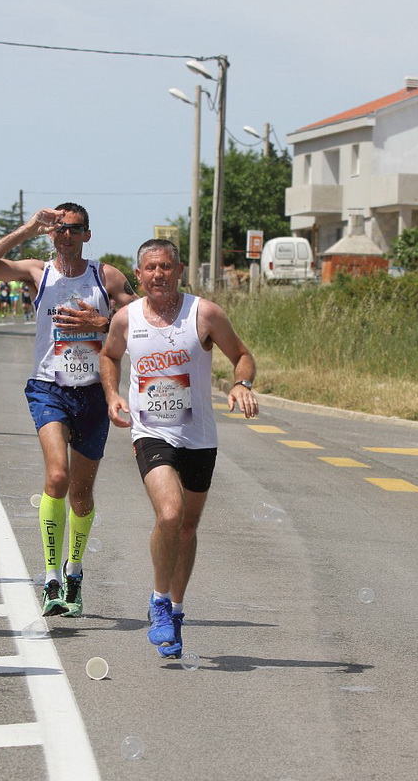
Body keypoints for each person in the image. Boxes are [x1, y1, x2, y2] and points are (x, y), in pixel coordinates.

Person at [0, 203, 135, 617]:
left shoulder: (106, 276)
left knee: (80, 492)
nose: (66, 236)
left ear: (87, 235)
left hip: (93, 391)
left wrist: (102, 321)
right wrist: (27, 228)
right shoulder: (38, 272)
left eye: (74, 229)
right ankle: (51, 578)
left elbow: (139, 319)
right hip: (49, 388)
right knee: (56, 475)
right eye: (59, 230)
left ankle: (74, 569)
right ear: (50, 234)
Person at [100, 238, 258, 659]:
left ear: (179, 269)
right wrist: (112, 395)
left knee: (187, 527)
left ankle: (177, 610)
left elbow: (242, 355)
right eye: (150, 268)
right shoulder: (125, 318)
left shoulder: (203, 313)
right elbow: (109, 356)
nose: (158, 275)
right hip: (150, 433)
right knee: (169, 513)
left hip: (199, 437)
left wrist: (241, 383)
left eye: (166, 267)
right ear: (139, 274)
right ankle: (158, 602)